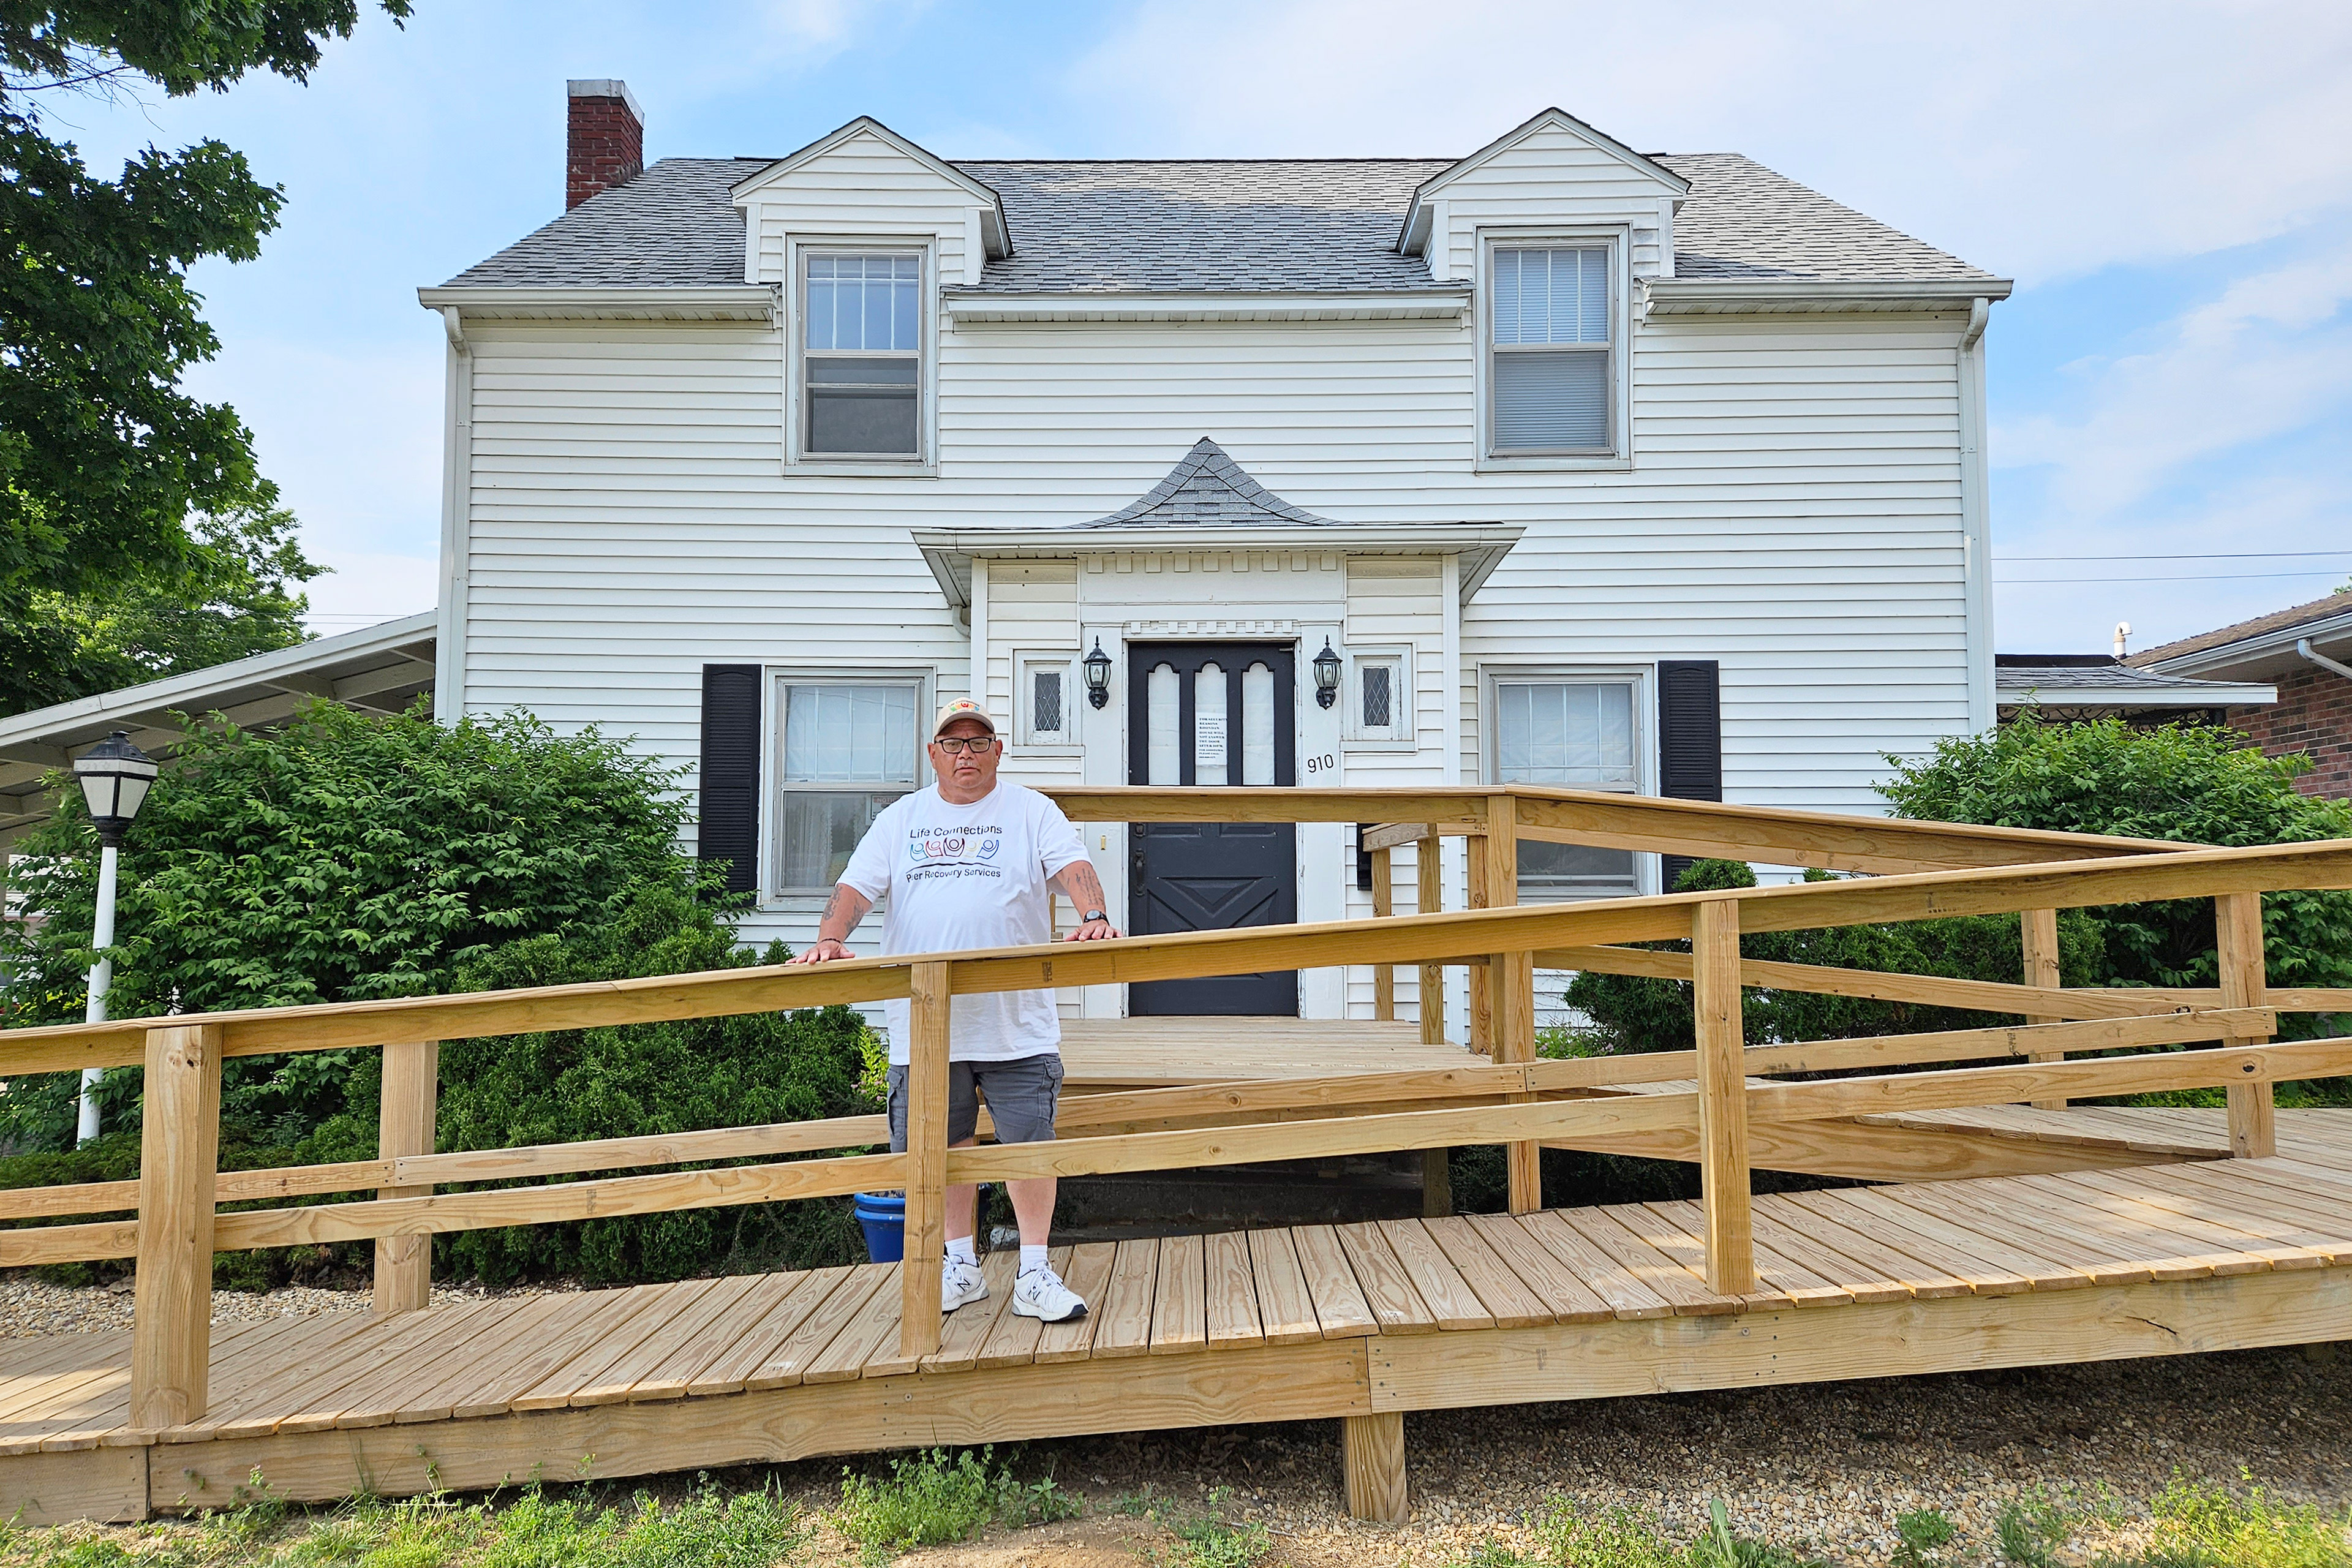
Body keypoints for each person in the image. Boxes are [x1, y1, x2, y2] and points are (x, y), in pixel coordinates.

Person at [791, 698, 1117, 1323]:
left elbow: (1074, 866)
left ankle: (1034, 1272)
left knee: (1029, 1144)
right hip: (926, 1025)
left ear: (997, 750)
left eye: (979, 740)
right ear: (934, 753)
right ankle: (961, 1266)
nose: (966, 752)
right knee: (943, 1147)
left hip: (1014, 1021)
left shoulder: (1031, 810)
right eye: (953, 742)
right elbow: (856, 886)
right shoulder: (901, 819)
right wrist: (830, 936)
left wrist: (1094, 917)